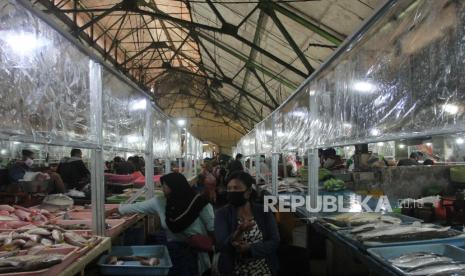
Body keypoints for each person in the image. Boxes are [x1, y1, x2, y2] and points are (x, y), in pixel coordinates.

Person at [106, 172, 214, 276]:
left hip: (196, 251)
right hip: (175, 250)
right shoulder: (161, 202)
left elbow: (212, 227)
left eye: (165, 186)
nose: (162, 189)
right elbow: (138, 206)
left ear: (175, 186)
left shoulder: (199, 202)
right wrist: (117, 210)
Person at [215, 171, 279, 276]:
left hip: (263, 268)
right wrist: (238, 232)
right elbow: (222, 246)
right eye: (229, 188)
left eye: (236, 188)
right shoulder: (222, 214)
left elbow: (275, 241)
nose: (231, 191)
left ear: (248, 192)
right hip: (234, 270)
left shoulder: (264, 211)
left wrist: (250, 249)